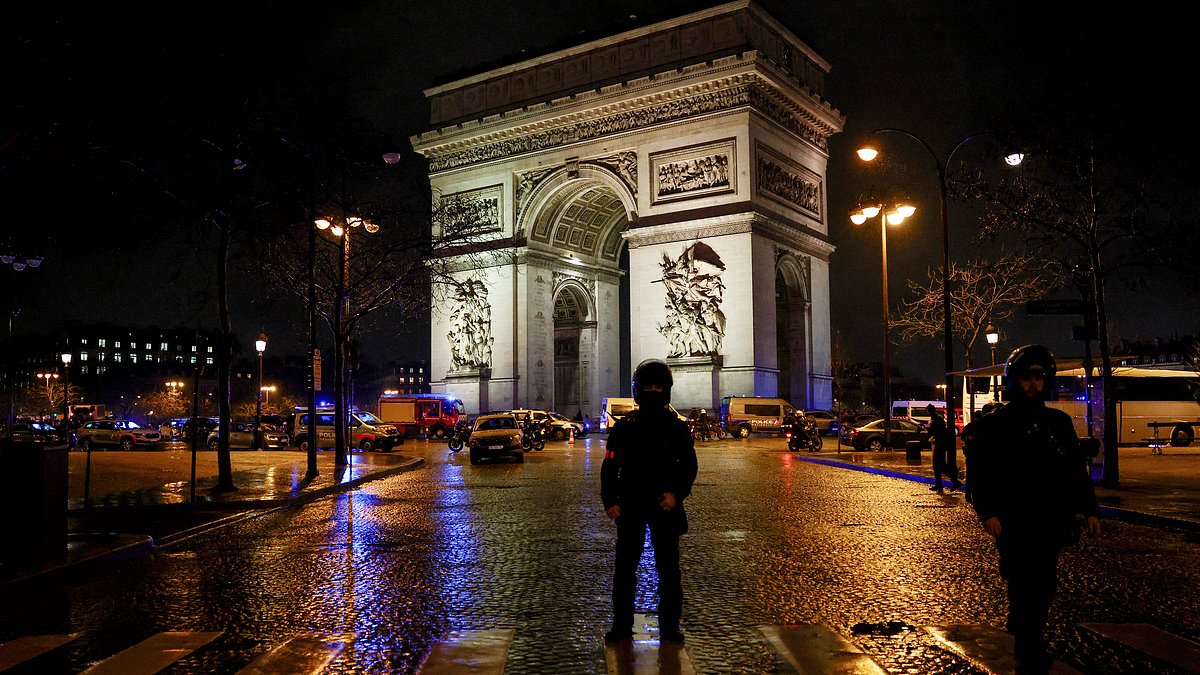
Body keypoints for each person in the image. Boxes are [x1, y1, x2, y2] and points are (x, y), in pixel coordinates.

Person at [962, 345, 1100, 675]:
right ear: (1014, 380)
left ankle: (1027, 631)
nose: (1033, 385)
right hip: (1015, 520)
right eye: (1027, 377)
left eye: (1039, 377)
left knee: (1045, 583)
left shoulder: (1058, 423)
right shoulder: (995, 425)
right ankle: (1029, 644)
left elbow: (1073, 470)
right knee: (1023, 580)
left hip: (1051, 518)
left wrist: (1090, 509)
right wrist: (987, 512)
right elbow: (981, 472)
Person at [601, 359, 698, 644]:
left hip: (658, 504)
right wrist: (611, 500)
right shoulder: (630, 428)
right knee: (631, 571)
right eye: (648, 387)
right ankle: (627, 627)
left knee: (664, 571)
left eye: (656, 387)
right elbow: (609, 466)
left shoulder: (672, 429)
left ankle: (666, 628)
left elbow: (689, 466)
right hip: (635, 505)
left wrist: (676, 494)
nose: (652, 392)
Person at [927, 404, 960, 493]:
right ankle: (940, 484)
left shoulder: (937, 419)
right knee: (938, 465)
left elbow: (938, 431)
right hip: (940, 443)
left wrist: (932, 432)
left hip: (940, 444)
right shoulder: (937, 418)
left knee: (939, 465)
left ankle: (954, 480)